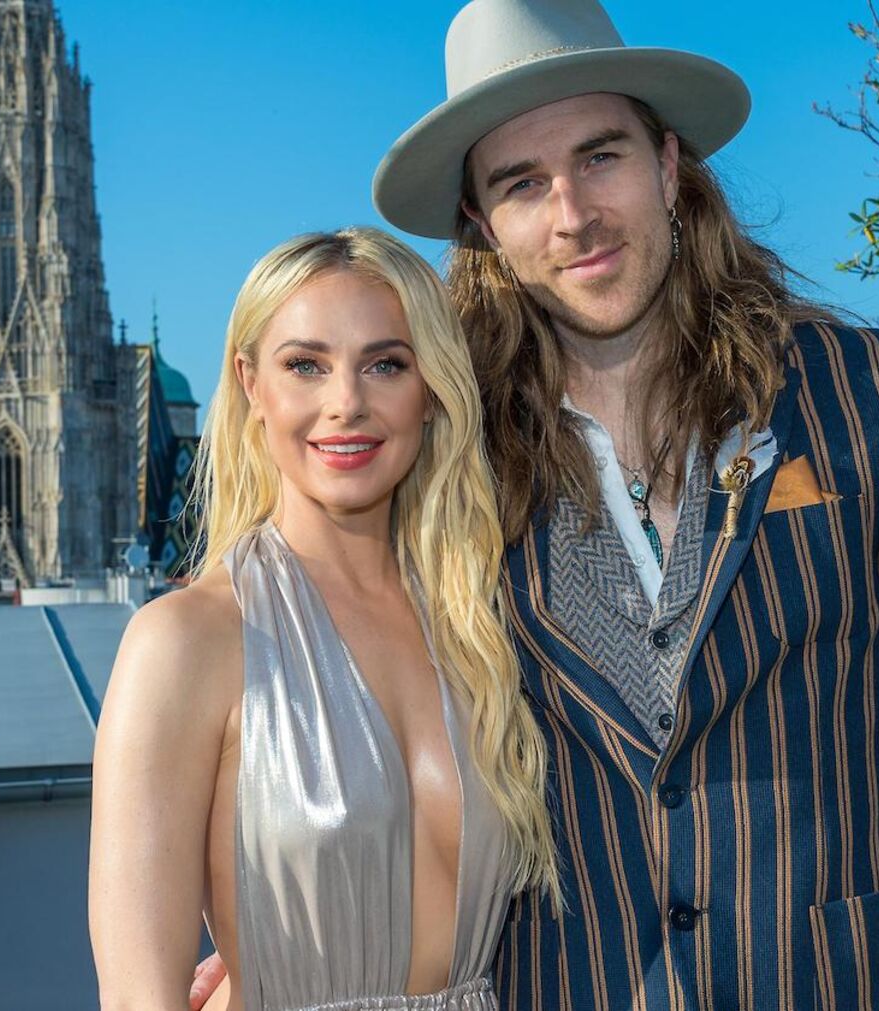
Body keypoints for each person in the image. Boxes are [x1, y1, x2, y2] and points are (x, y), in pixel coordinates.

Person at [199, 0, 879, 1007]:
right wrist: (276, 957)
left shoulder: (868, 388)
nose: (572, 214)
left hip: (866, 979)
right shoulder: (446, 453)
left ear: (667, 163)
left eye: (599, 157)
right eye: (522, 184)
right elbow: (332, 683)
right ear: (483, 224)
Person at [92, 227, 559, 1011]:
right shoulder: (183, 643)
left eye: (386, 364)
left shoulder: (484, 622)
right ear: (251, 385)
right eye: (305, 364)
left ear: (430, 390)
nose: (347, 402)